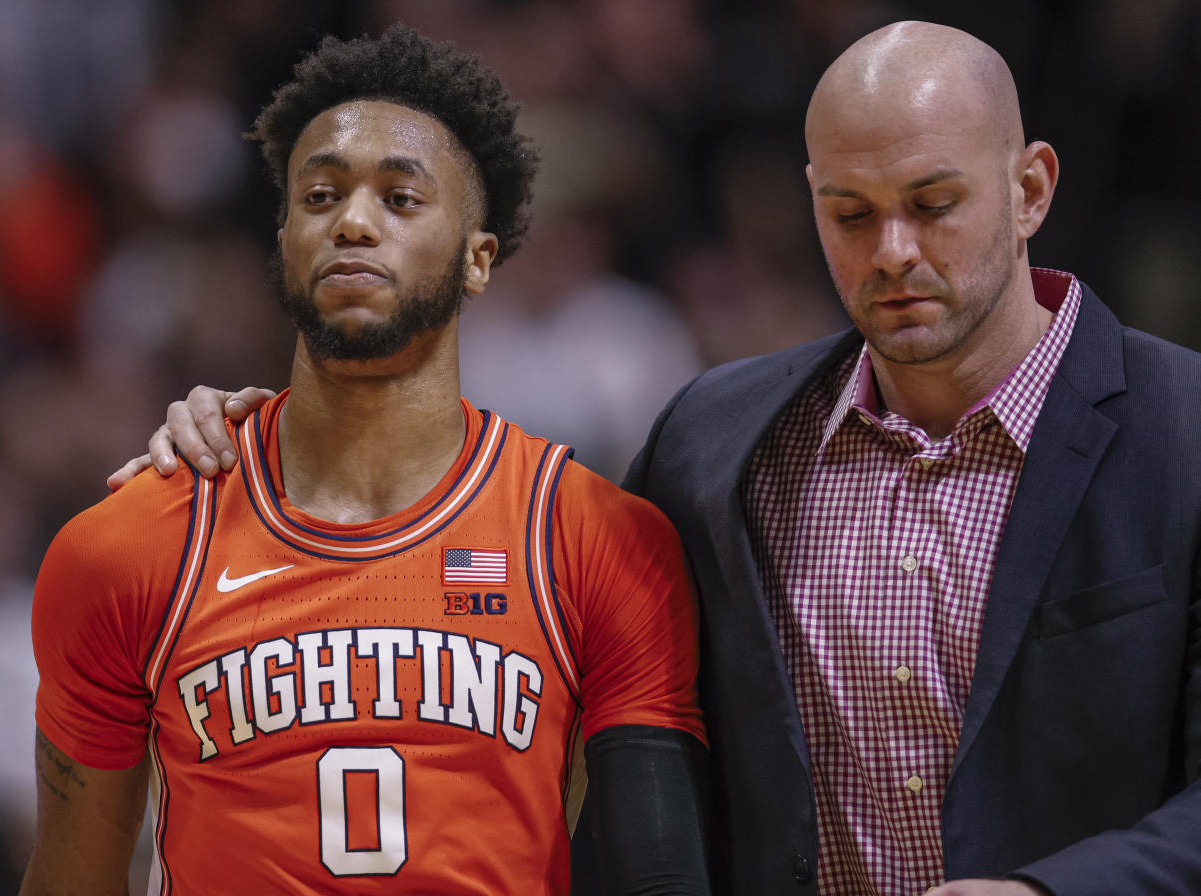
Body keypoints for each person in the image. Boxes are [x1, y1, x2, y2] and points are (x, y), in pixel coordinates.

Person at [114, 20, 1201, 896]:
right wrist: (265, 438)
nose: (893, 252)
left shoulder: (1183, 429)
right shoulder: (715, 443)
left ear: (1030, 190)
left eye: (934, 204)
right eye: (850, 213)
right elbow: (475, 557)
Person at [24, 26, 710, 896]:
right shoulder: (128, 546)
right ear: (283, 243)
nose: (352, 220)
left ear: (478, 258)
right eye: (318, 196)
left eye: (400, 198)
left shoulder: (594, 540)